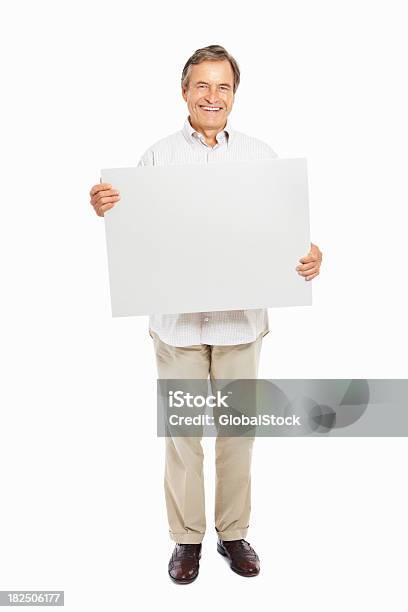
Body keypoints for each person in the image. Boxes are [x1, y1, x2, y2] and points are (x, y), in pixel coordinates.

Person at [89, 44, 323, 584]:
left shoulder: (263, 157)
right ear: (185, 92)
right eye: (202, 85)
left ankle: (233, 532)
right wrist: (105, 209)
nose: (212, 96)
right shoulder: (156, 159)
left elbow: (283, 235)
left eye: (223, 87)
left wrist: (312, 257)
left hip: (241, 324)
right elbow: (135, 233)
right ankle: (186, 539)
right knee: (183, 434)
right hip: (179, 327)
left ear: (234, 95)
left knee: (238, 432)